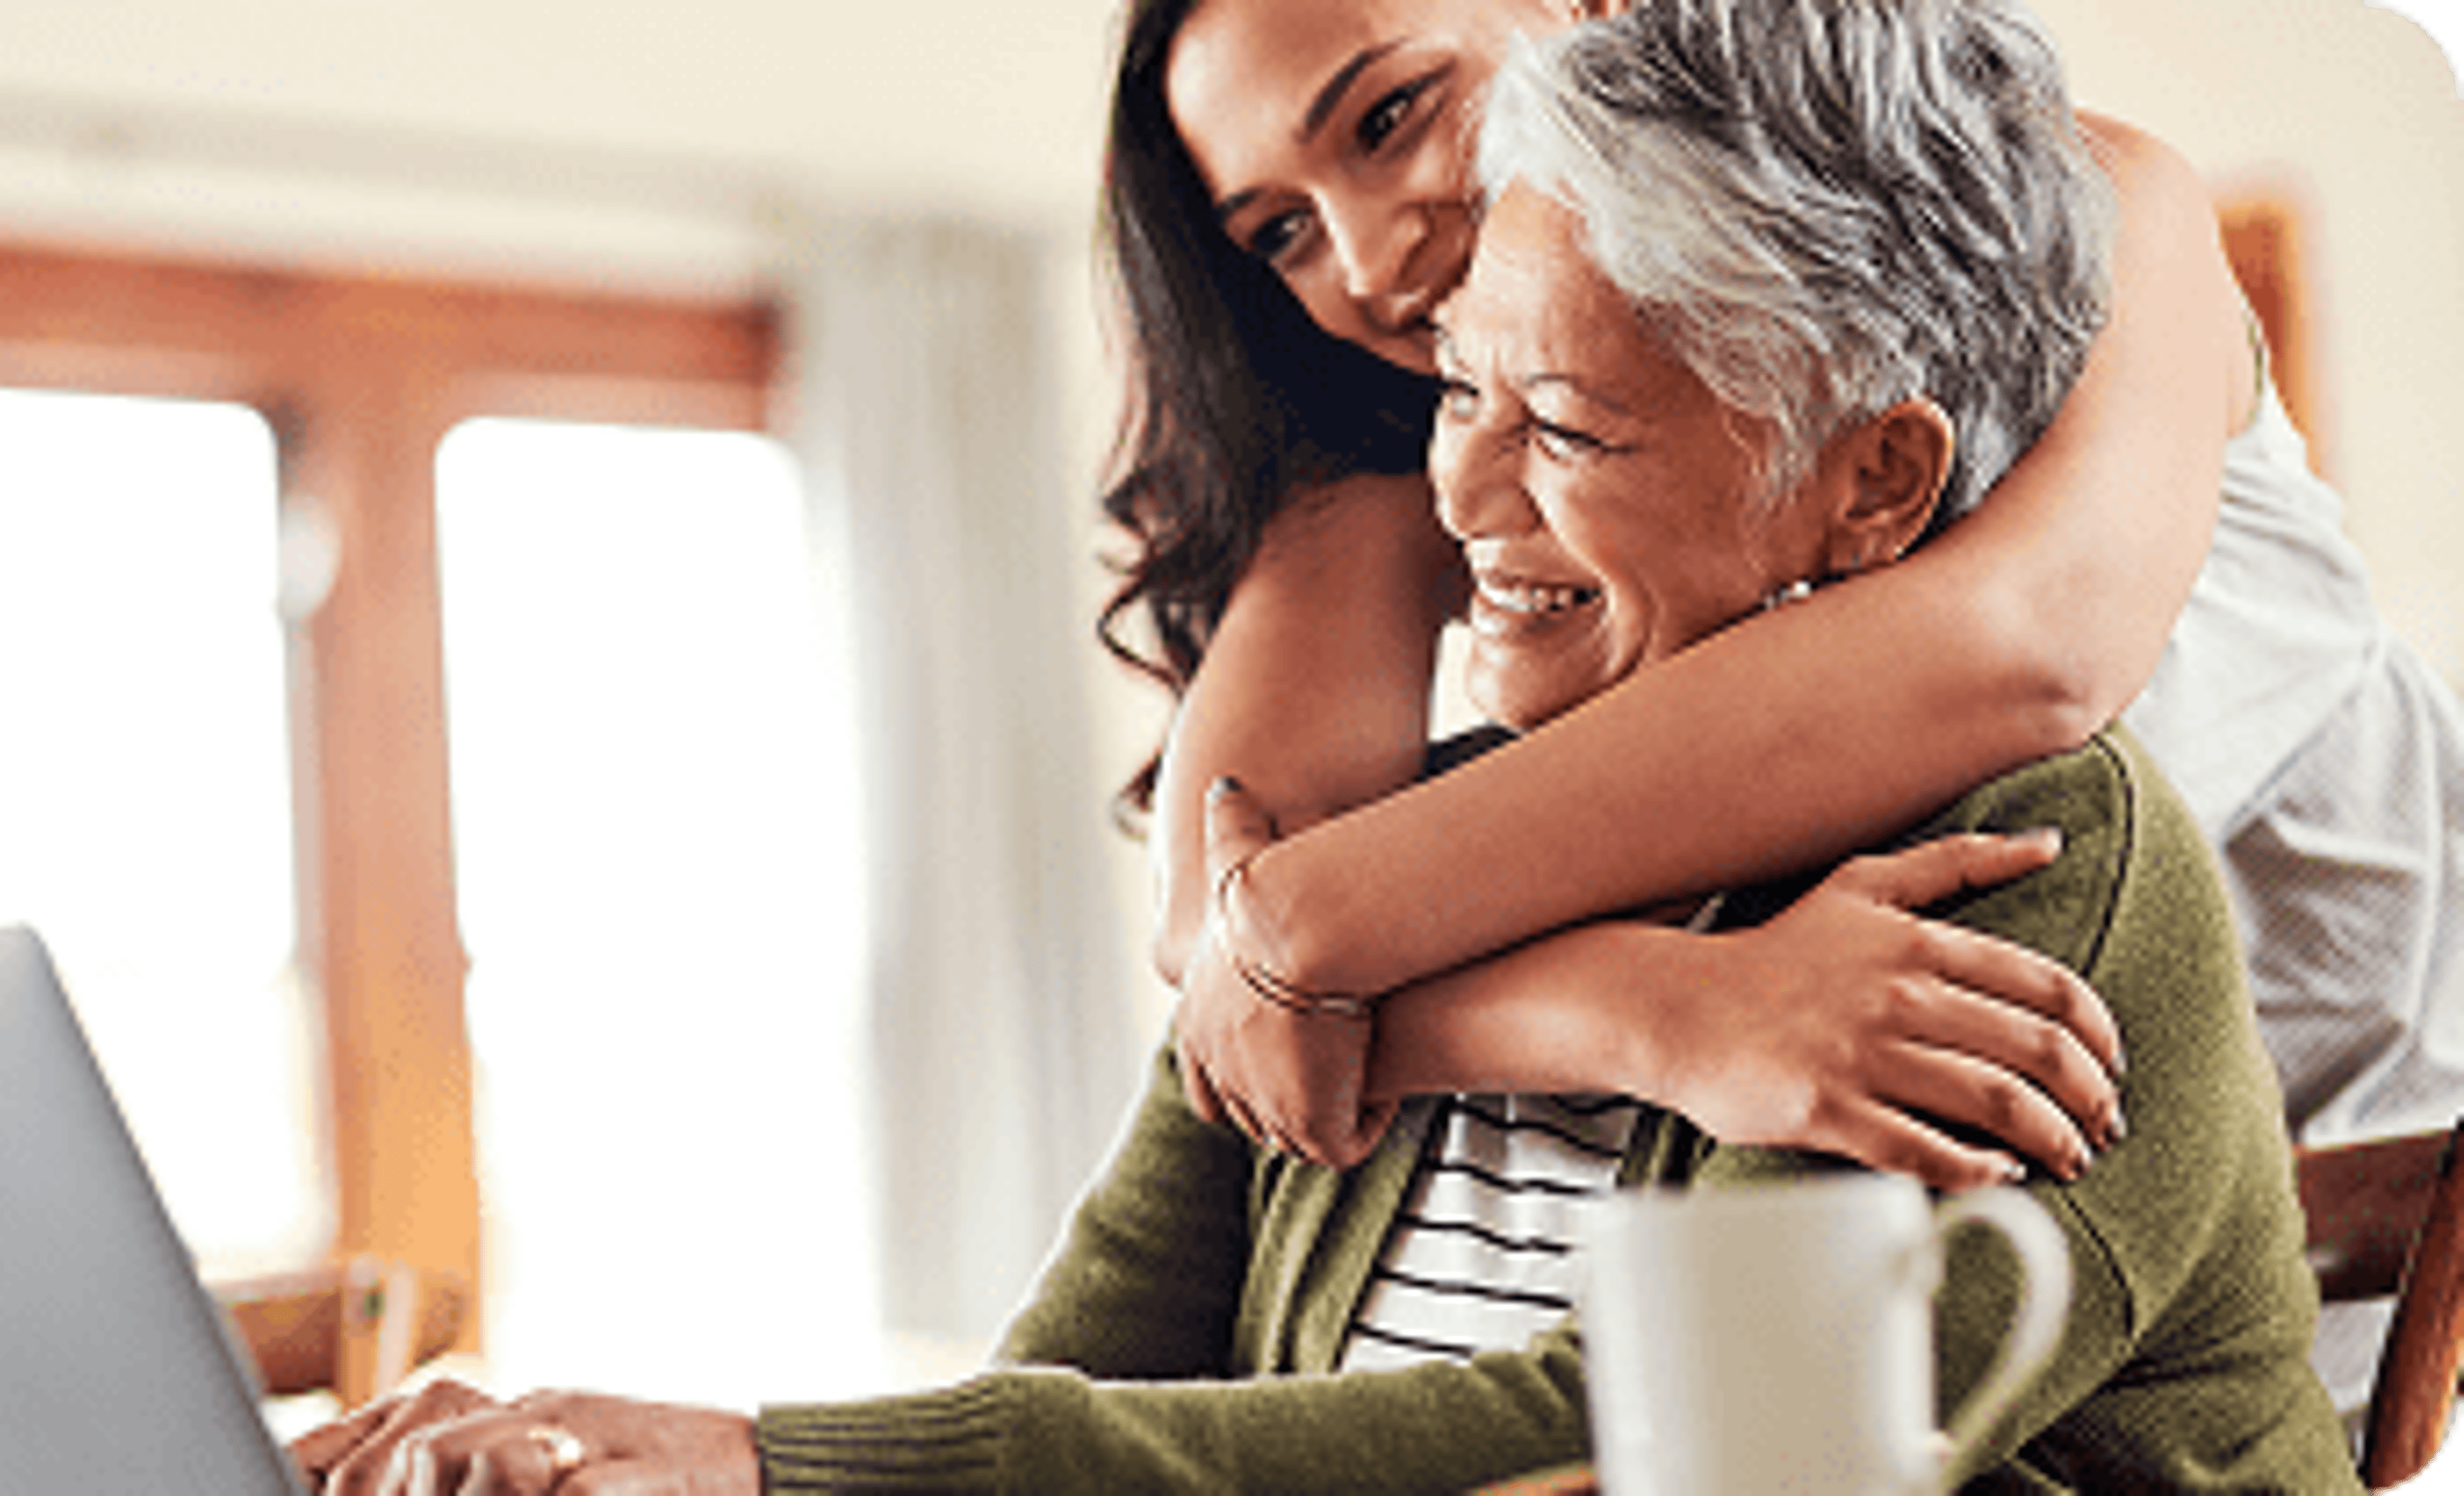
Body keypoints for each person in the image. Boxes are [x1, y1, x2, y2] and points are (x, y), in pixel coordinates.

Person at [291, 2, 2355, 1487]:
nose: (1372, 275)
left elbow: (1647, 1443)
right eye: (1460, 390)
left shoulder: (2016, 832)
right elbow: (1231, 974)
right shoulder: (1446, 709)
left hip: (2358, 1083)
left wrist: (774, 1464)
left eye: (1557, 423)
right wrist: (1638, 1007)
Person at [1136, 0, 2462, 1187]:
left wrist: (1317, 927)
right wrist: (1652, 1011)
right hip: (1989, 1230)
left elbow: (2023, 655)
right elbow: (1220, 924)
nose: (1367, 262)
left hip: (2388, 1185)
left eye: (1389, 115)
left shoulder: (2074, 203)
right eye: (1282, 230)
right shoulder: (1430, 430)